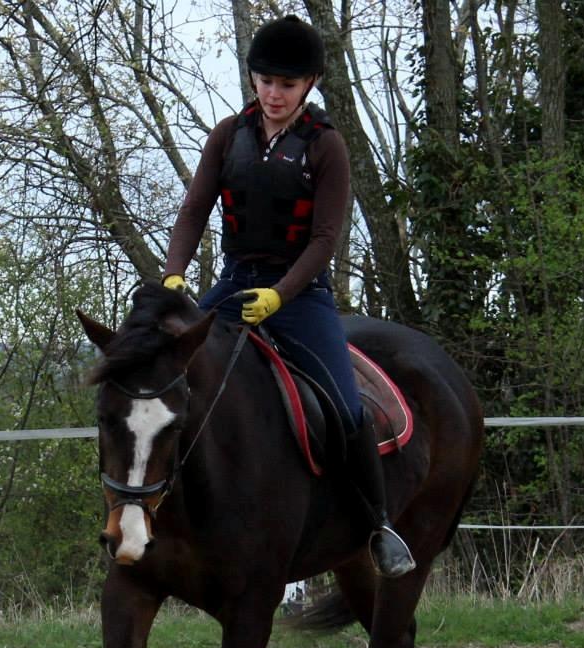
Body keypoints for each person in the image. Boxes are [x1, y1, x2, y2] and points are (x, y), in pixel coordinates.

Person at [162, 14, 414, 577]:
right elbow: (195, 208)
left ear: (310, 85)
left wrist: (279, 296)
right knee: (168, 373)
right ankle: (158, 510)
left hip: (300, 294)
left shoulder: (327, 147)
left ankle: (378, 524)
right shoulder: (228, 135)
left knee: (347, 409)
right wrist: (175, 275)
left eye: (287, 84)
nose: (274, 94)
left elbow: (325, 239)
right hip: (231, 282)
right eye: (265, 81)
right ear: (253, 79)